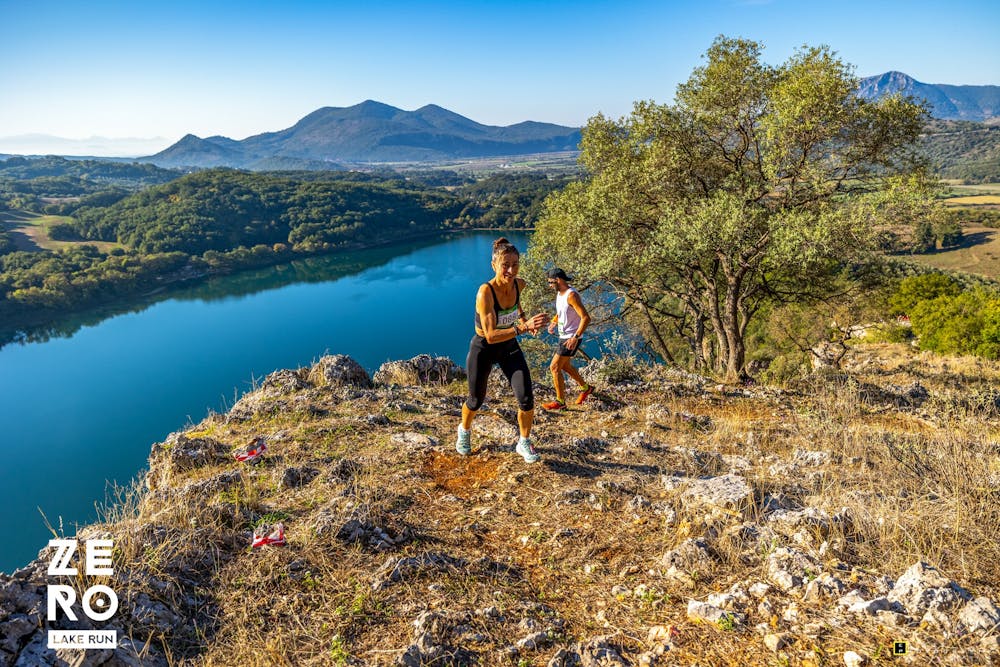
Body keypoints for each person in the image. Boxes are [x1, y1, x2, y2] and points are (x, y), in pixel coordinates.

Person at [457, 238, 548, 463]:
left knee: (526, 398)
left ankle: (524, 442)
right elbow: (490, 335)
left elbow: (517, 305)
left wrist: (525, 320)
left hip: (509, 346)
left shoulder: (519, 284)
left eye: (515, 264)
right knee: (475, 400)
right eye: (505, 265)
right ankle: (464, 431)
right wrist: (523, 327)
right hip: (484, 348)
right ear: (493, 265)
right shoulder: (485, 292)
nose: (511, 270)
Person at [542, 268, 595, 410]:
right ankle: (586, 388)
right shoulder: (560, 293)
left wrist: (575, 338)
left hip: (570, 338)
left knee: (554, 367)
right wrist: (554, 321)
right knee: (565, 366)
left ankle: (560, 402)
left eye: (550, 282)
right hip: (564, 336)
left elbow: (586, 318)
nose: (549, 285)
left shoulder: (572, 295)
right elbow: (562, 311)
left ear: (558, 280)